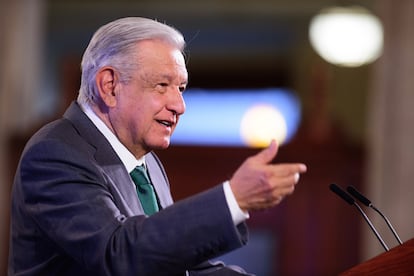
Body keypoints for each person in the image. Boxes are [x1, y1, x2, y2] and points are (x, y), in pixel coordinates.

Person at [8, 17, 307, 276]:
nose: (179, 105)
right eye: (162, 86)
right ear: (110, 86)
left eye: (180, 88)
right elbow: (119, 256)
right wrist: (233, 199)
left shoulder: (145, 162)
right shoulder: (56, 153)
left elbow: (178, 264)